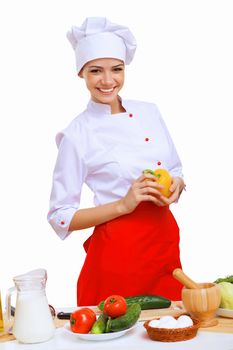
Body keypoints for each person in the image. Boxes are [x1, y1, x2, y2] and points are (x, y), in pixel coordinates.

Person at [47, 17, 186, 306]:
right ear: (81, 73)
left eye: (117, 70)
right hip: (117, 255)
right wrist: (124, 204)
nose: (108, 81)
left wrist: (177, 184)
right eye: (96, 71)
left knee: (171, 333)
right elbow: (60, 215)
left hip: (164, 247)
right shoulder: (77, 134)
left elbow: (173, 168)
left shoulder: (150, 112)